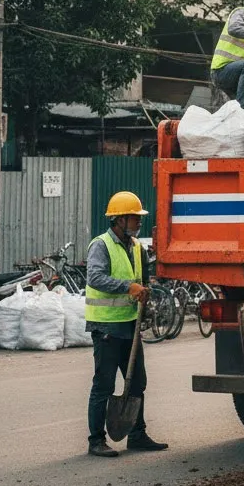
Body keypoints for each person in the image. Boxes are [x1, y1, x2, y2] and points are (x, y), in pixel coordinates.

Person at [85, 191, 168, 457]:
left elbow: (142, 282)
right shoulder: (101, 245)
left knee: (137, 383)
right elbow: (95, 278)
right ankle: (96, 440)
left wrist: (145, 294)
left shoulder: (137, 247)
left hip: (130, 325)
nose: (138, 222)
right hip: (107, 327)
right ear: (119, 219)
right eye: (134, 217)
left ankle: (137, 434)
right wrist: (128, 287)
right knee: (104, 385)